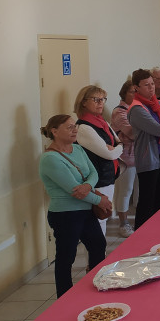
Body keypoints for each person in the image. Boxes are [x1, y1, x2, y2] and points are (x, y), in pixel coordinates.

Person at [40, 114, 112, 298]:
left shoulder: (78, 149)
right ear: (55, 131)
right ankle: (64, 297)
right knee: (66, 257)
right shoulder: (50, 159)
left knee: (98, 245)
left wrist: (87, 185)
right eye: (69, 127)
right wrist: (100, 200)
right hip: (65, 215)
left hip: (85, 210)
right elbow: (73, 189)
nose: (74, 130)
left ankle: (96, 286)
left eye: (75, 126)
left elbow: (94, 173)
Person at [128, 68, 160, 230]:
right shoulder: (137, 109)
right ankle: (142, 235)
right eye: (146, 85)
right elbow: (158, 130)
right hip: (150, 159)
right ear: (136, 88)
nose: (151, 87)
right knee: (148, 201)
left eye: (152, 83)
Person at [74, 85, 123, 237]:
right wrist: (117, 148)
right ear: (83, 102)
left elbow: (119, 143)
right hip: (97, 179)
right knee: (99, 218)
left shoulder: (103, 122)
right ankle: (98, 252)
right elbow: (109, 154)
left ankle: (99, 250)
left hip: (108, 176)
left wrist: (117, 147)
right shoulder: (84, 127)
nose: (101, 103)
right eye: (96, 99)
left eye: (103, 99)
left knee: (104, 216)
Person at [111, 80, 138, 237]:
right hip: (125, 158)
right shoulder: (119, 112)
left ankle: (139, 220)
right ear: (124, 93)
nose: (135, 95)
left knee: (139, 191)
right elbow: (132, 133)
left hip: (140, 157)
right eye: (132, 92)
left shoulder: (137, 109)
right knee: (126, 191)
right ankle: (124, 224)